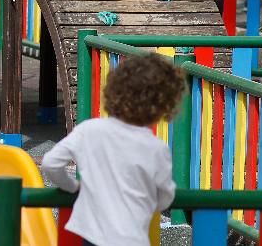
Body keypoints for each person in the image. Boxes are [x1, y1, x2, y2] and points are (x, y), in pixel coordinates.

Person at [40, 54, 186, 246]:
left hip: (93, 233)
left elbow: (50, 164)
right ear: (163, 106)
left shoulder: (89, 130)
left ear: (113, 92)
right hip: (132, 237)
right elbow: (164, 196)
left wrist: (73, 187)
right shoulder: (156, 148)